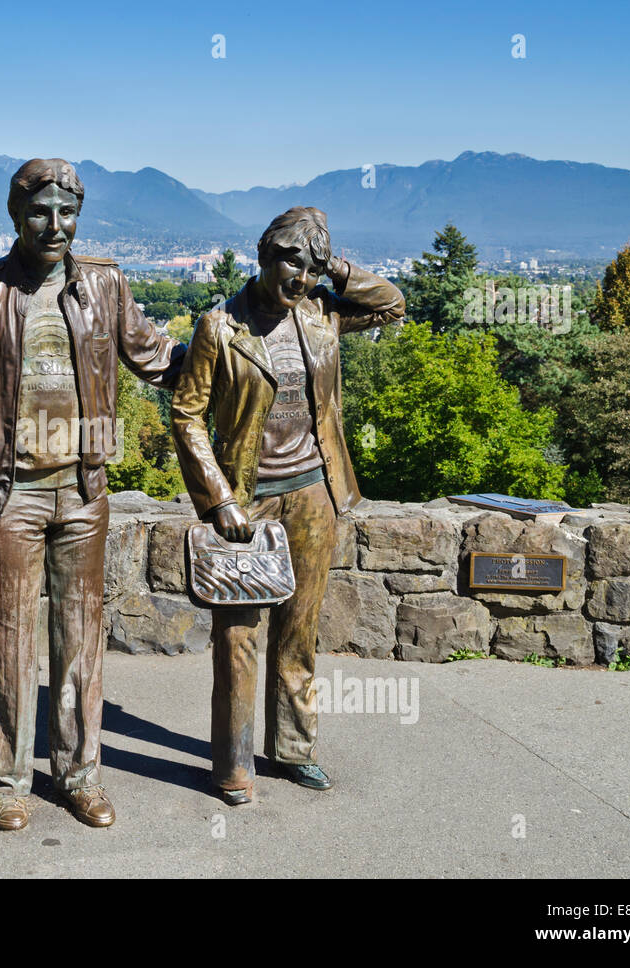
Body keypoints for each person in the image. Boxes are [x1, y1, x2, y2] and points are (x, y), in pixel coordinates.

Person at [0, 159, 185, 831]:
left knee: (79, 638)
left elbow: (157, 356)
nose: (55, 225)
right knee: (14, 639)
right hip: (11, 489)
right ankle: (7, 780)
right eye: (41, 211)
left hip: (83, 489)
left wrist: (228, 342)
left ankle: (79, 775)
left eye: (67, 212)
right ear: (16, 215)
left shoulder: (103, 287)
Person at [170, 207, 404, 805]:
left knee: (299, 631)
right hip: (247, 502)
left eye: (311, 265)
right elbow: (187, 414)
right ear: (263, 255)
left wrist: (338, 268)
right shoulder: (219, 327)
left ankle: (296, 750)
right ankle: (232, 763)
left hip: (314, 493)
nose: (299, 276)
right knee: (238, 636)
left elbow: (392, 303)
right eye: (290, 260)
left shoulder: (322, 312)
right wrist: (218, 496)